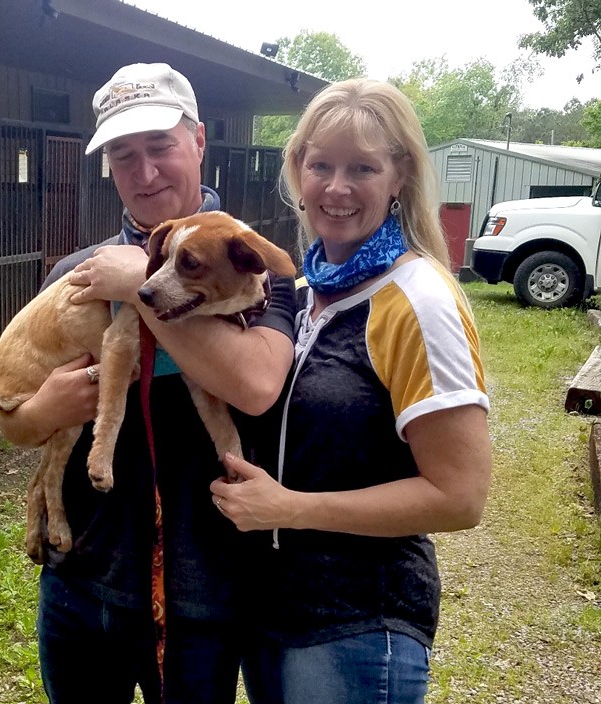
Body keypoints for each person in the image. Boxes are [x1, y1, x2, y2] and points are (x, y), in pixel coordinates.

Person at [0, 62, 296, 704]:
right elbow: (14, 425)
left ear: (199, 141)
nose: (145, 172)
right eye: (124, 155)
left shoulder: (250, 262)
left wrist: (140, 282)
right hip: (80, 584)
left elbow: (257, 385)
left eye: (160, 147)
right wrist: (42, 409)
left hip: (200, 592)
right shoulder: (78, 272)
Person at [210, 78, 492, 704]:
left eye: (362, 167)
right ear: (297, 172)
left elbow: (460, 496)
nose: (336, 188)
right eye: (321, 165)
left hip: (358, 625)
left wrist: (292, 508)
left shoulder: (419, 300)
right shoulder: (303, 291)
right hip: (270, 618)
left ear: (400, 177)